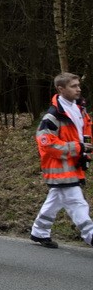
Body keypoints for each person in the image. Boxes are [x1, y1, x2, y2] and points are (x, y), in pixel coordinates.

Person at [29, 72, 93, 248]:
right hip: (59, 166)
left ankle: (39, 232)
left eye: (78, 85)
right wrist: (77, 148)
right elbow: (47, 144)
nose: (78, 89)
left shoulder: (79, 109)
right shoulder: (53, 115)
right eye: (73, 86)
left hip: (73, 163)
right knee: (76, 201)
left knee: (56, 198)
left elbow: (85, 133)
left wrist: (84, 149)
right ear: (60, 89)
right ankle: (90, 235)